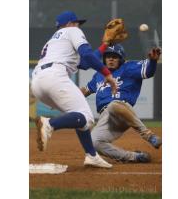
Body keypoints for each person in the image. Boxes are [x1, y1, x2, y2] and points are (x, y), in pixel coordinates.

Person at [31, 10, 119, 169]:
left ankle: (91, 156)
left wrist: (105, 44)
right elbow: (86, 54)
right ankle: (49, 123)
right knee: (87, 117)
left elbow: (85, 62)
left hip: (38, 82)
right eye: (77, 22)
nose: (79, 25)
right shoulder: (73, 31)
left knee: (78, 114)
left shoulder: (54, 42)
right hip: (54, 76)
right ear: (69, 23)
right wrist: (107, 74)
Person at [81, 44, 162, 163]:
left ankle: (149, 135)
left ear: (121, 59)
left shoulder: (128, 67)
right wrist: (65, 96)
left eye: (115, 56)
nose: (111, 59)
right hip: (106, 117)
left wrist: (153, 61)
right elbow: (85, 91)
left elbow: (148, 72)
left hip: (122, 111)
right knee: (93, 142)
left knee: (114, 104)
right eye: (108, 56)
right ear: (104, 59)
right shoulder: (99, 74)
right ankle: (133, 157)